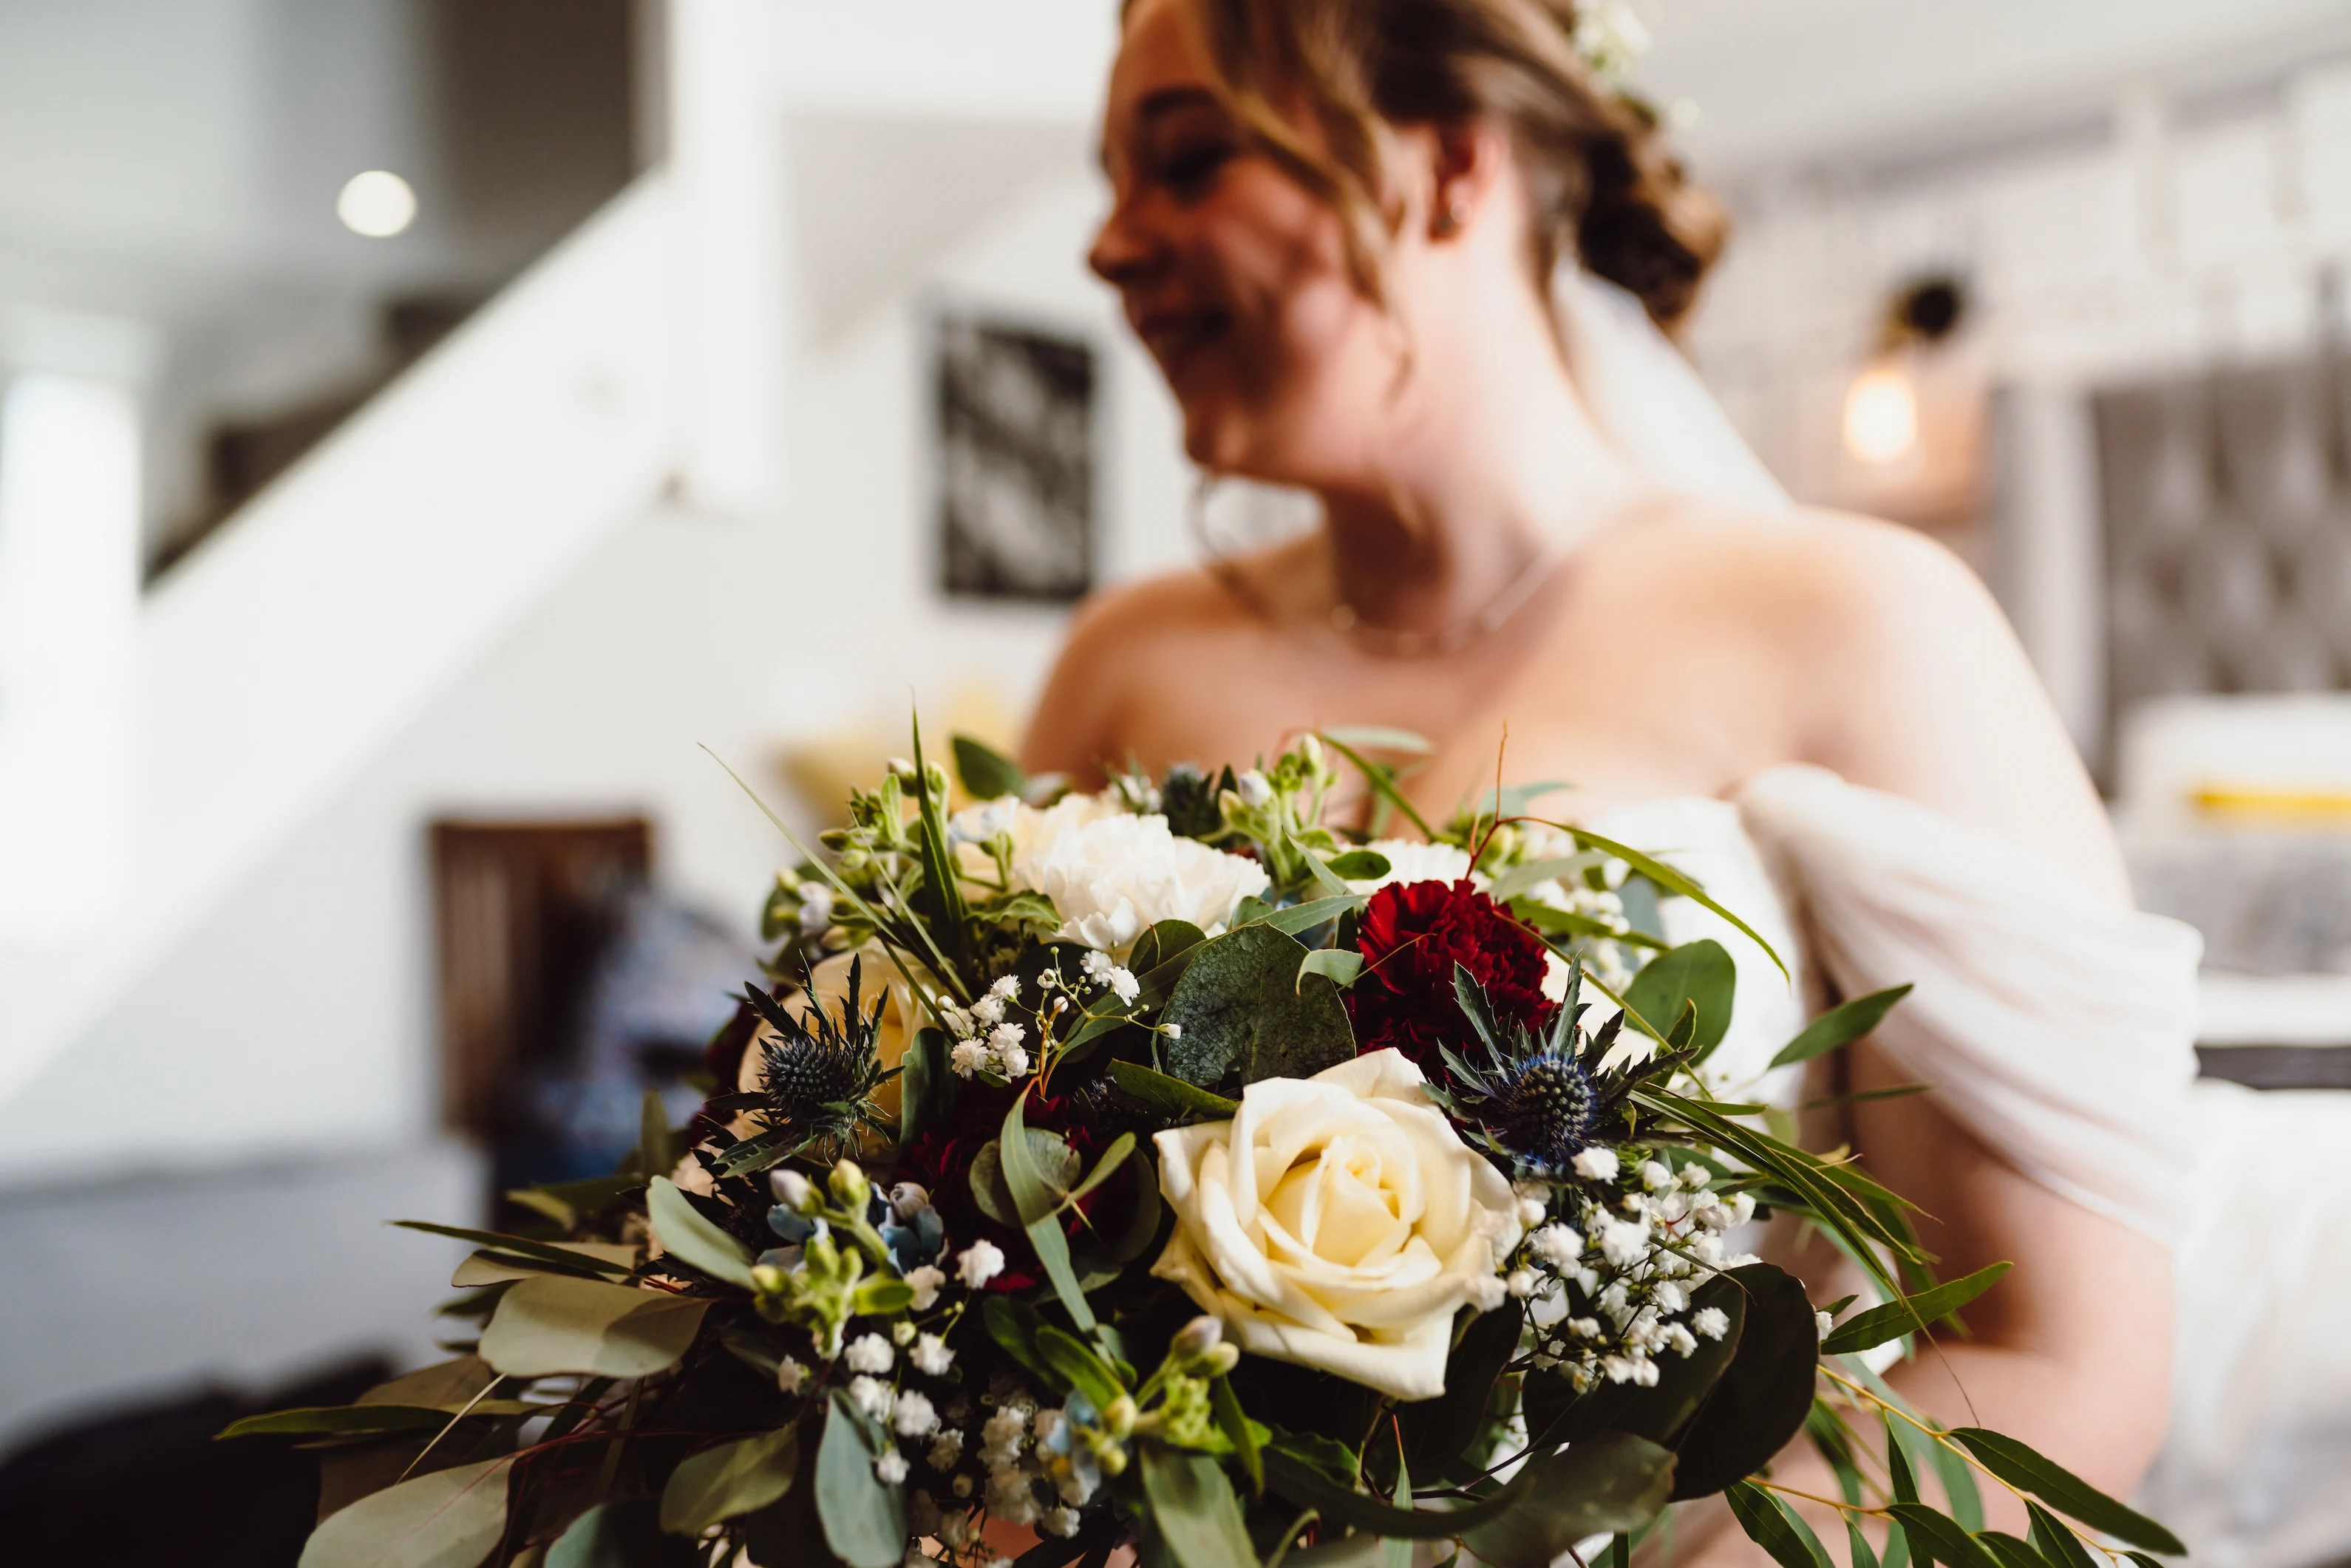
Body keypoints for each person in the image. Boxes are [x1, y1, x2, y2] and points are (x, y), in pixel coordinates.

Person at [1023, 3, 2351, 1565]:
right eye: (1111, 181)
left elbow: (2055, 1350)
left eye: (1184, 163)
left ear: (1450, 162)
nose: (1110, 247)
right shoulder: (1120, 663)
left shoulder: (1859, 622)